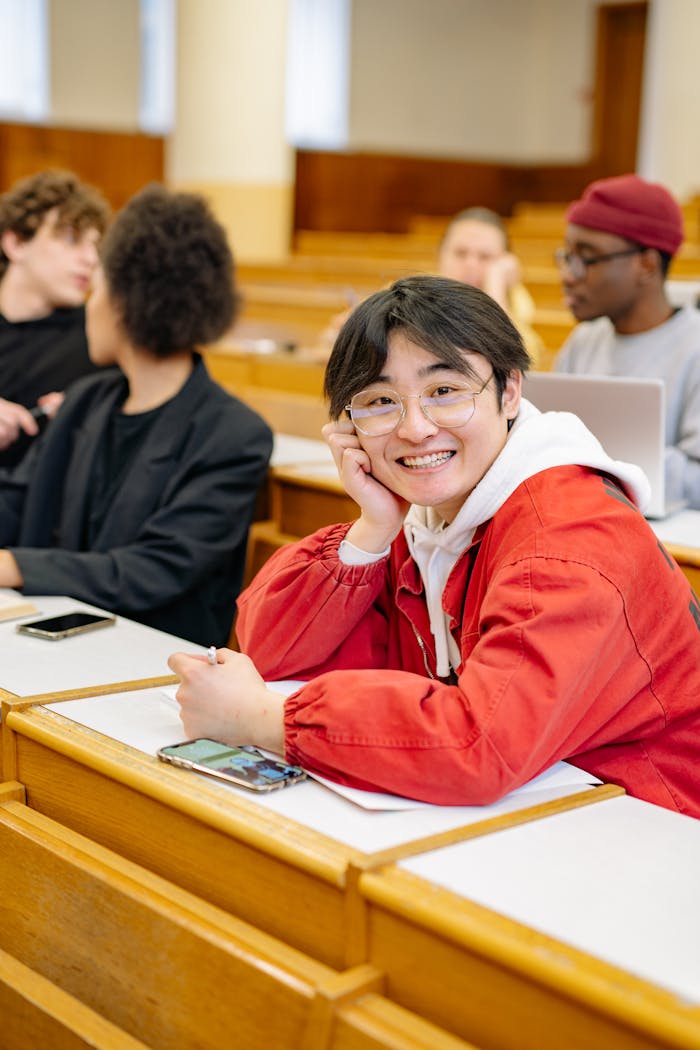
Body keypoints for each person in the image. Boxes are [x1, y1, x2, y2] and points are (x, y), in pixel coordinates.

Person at [169, 275, 700, 816]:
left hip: (651, 821)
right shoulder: (425, 516)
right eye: (379, 401)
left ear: (510, 390)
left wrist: (264, 722)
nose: (415, 428)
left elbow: (479, 746)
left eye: (444, 392)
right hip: (551, 806)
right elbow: (270, 648)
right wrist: (371, 531)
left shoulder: (565, 540)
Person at [0, 184, 273, 646]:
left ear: (128, 300)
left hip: (150, 659)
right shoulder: (87, 400)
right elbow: (14, 502)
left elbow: (155, 569)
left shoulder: (233, 435)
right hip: (53, 639)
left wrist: (16, 565)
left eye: (98, 284)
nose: (90, 304)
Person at [554, 173, 700, 510]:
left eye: (586, 258)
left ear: (646, 265)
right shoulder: (584, 340)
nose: (568, 274)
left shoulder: (693, 347)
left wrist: (595, 465)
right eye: (566, 256)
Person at [0, 169, 111, 467]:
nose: (90, 259)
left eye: (94, 245)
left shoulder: (99, 343)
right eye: (72, 239)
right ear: (16, 244)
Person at [438, 206, 544, 366]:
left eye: (485, 257)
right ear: (440, 254)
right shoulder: (405, 299)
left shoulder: (518, 305)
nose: (471, 264)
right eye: (460, 253)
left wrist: (496, 288)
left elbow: (514, 367)